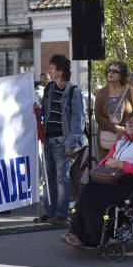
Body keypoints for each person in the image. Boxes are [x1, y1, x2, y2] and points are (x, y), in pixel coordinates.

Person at [63, 110, 133, 247]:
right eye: (128, 122)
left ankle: (91, 238)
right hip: (115, 177)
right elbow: (106, 159)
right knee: (88, 189)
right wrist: (105, 164)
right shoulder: (122, 140)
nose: (129, 125)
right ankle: (77, 232)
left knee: (100, 197)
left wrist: (123, 165)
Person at [37, 54, 87, 224]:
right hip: (48, 139)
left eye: (52, 68)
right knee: (48, 177)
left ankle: (61, 214)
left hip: (61, 140)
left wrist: (70, 143)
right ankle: (49, 211)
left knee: (62, 179)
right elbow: (45, 111)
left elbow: (78, 120)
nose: (49, 71)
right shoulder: (49, 88)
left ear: (60, 71)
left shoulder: (73, 92)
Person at [95, 60, 133, 159]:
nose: (111, 73)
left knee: (123, 166)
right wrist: (115, 128)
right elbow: (98, 116)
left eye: (115, 71)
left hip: (126, 140)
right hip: (106, 140)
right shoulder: (101, 92)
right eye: (109, 70)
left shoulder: (130, 92)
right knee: (106, 166)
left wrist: (128, 129)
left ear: (122, 75)